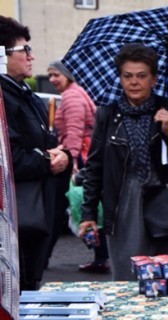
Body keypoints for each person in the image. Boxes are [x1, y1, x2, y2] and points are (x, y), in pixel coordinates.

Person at [79, 43, 168, 281]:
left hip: (165, 200)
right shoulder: (107, 114)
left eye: (141, 76)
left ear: (154, 79)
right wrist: (88, 213)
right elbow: (95, 167)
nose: (134, 82)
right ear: (120, 78)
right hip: (124, 202)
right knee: (128, 276)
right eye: (127, 76)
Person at [1, 16, 73, 290]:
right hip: (15, 220)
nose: (32, 56)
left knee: (31, 284)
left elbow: (49, 143)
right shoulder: (3, 99)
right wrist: (46, 161)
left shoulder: (27, 96)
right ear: (2, 55)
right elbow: (8, 158)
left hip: (37, 215)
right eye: (24, 50)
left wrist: (62, 156)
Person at [47, 59, 110, 274]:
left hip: (78, 158)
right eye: (50, 76)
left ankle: (100, 256)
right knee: (88, 206)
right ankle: (101, 256)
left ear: (68, 75)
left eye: (56, 75)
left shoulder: (72, 96)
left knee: (78, 207)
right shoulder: (76, 92)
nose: (52, 80)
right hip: (84, 154)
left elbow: (73, 132)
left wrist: (71, 161)